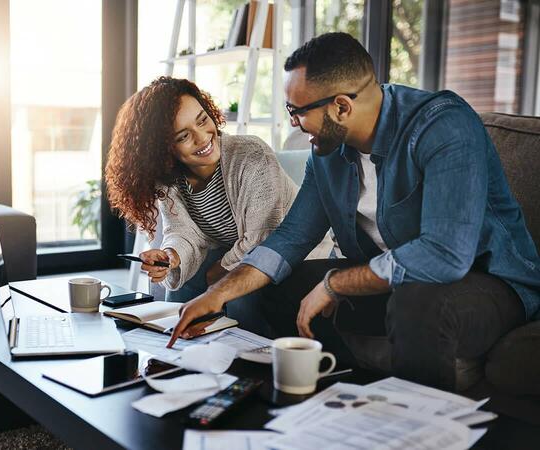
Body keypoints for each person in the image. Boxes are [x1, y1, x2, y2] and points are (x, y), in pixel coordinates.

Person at [167, 32, 540, 391]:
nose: (293, 123)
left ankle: (421, 427)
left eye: (297, 112)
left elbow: (445, 255)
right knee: (277, 287)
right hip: (393, 281)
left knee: (417, 300)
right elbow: (290, 239)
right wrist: (217, 292)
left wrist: (335, 284)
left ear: (342, 106)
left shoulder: (443, 127)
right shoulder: (327, 152)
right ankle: (331, 394)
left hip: (488, 283)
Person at [105, 76, 302, 336]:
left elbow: (263, 239)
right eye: (184, 136)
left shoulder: (251, 155)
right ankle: (178, 345)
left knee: (235, 287)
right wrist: (170, 257)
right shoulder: (170, 181)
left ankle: (246, 356)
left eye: (202, 120)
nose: (203, 138)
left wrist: (217, 274)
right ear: (163, 149)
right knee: (180, 279)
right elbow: (183, 233)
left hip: (292, 255)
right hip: (239, 249)